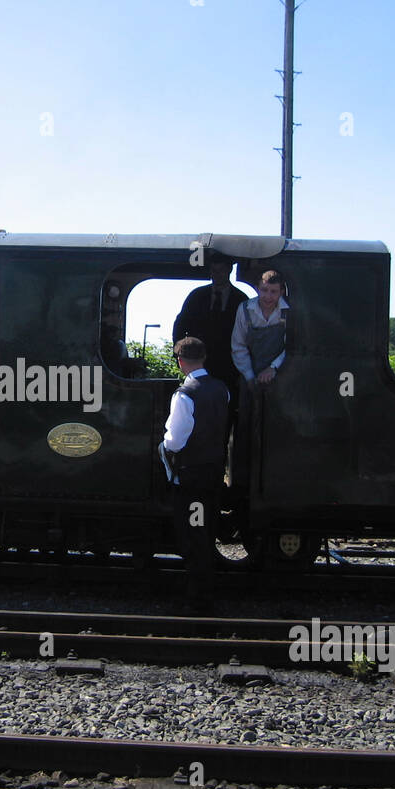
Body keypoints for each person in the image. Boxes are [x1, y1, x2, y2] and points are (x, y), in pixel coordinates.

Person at [159, 337, 229, 610]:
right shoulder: (222, 389)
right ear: (204, 357)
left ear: (180, 361)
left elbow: (175, 441)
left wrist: (162, 447)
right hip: (212, 472)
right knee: (205, 530)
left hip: (191, 477)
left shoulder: (184, 394)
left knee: (193, 534)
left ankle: (199, 597)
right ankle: (202, 590)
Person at [229, 270, 289, 494]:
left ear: (281, 291)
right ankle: (242, 486)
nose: (268, 296)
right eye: (264, 290)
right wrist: (250, 376)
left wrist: (273, 368)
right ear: (258, 288)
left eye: (274, 292)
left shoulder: (289, 313)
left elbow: (291, 346)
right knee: (245, 428)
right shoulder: (244, 310)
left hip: (281, 377)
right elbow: (238, 346)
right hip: (249, 376)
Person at [173, 259, 248, 391]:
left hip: (230, 366)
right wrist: (180, 354)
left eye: (221, 271)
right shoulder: (196, 296)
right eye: (214, 270)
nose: (217, 274)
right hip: (198, 364)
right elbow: (180, 325)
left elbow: (247, 336)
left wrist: (244, 370)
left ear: (229, 270)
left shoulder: (241, 299)